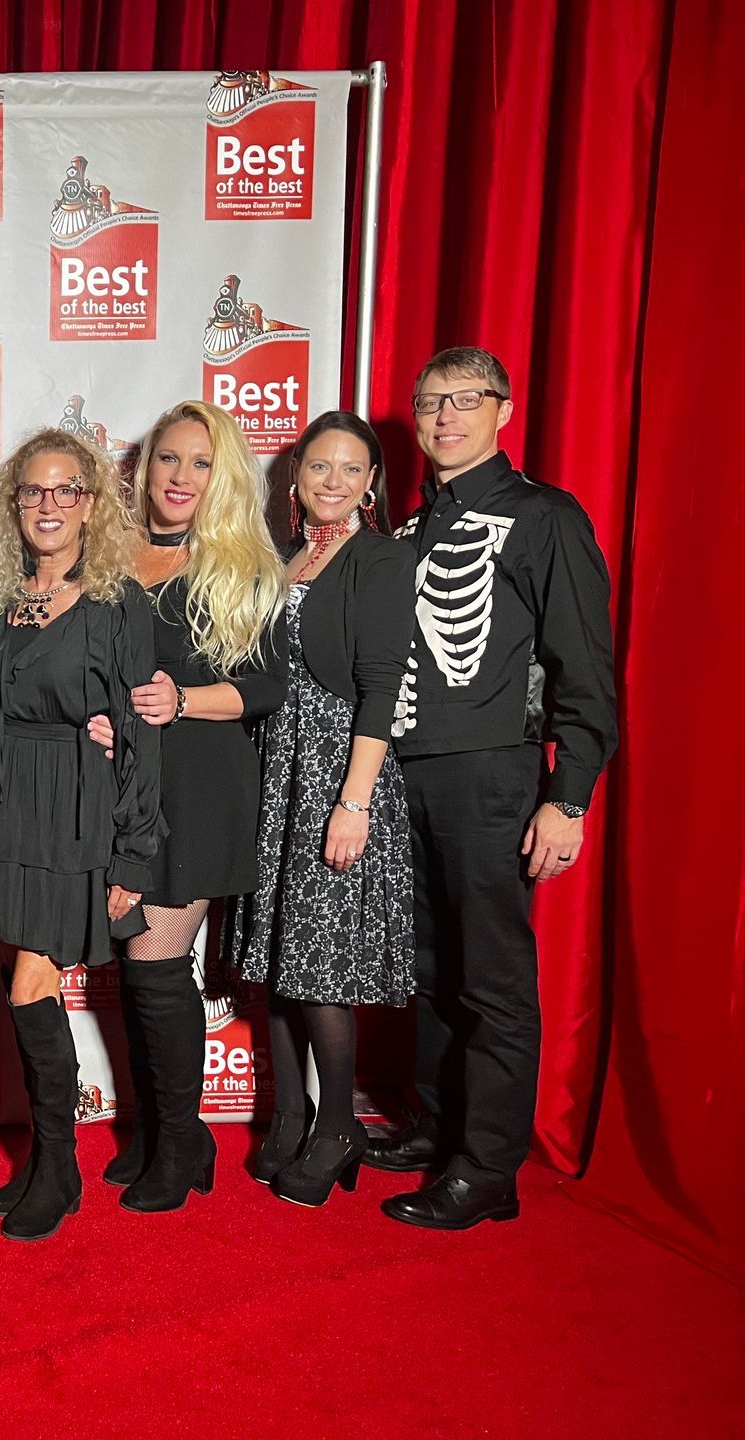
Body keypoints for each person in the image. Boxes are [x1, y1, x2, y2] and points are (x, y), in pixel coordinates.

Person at [371, 347, 617, 1230]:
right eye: (430, 402)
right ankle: (437, 1130)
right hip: (407, 775)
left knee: (495, 977)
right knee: (431, 970)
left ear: (503, 410)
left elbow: (584, 664)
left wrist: (571, 794)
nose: (444, 417)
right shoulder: (408, 531)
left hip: (494, 776)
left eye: (464, 400)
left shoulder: (545, 517)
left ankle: (489, 1170)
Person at [0, 428, 162, 1241]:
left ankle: (62, 1164)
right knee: (15, 977)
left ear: (92, 505)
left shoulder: (113, 604)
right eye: (32, 490)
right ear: (15, 505)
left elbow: (141, 734)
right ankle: (45, 1157)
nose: (48, 504)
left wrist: (133, 853)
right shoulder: (6, 598)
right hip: (2, 805)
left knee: (35, 983)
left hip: (72, 809)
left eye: (66, 489)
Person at [106, 399, 287, 1213]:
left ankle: (181, 1142)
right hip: (122, 788)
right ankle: (159, 1131)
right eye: (170, 459)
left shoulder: (239, 563)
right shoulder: (110, 558)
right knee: (134, 967)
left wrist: (184, 700)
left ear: (223, 478)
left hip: (200, 786)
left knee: (156, 968)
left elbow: (267, 686)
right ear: (147, 470)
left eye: (201, 462)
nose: (181, 476)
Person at [232, 411, 416, 1207]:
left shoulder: (380, 559)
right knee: (278, 955)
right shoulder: (282, 559)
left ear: (371, 483)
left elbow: (381, 688)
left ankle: (339, 1125)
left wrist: (354, 802)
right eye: (318, 468)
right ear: (296, 479)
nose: (332, 482)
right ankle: (289, 1114)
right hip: (277, 764)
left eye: (350, 469)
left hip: (339, 766)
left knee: (320, 960)